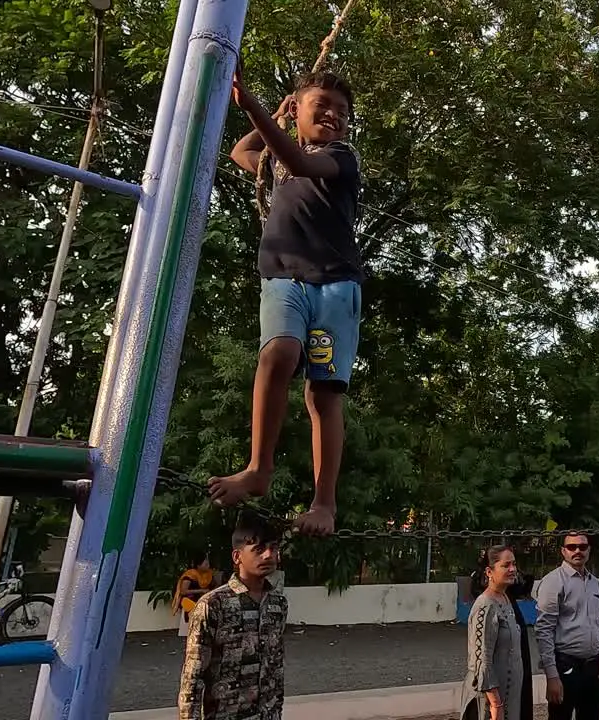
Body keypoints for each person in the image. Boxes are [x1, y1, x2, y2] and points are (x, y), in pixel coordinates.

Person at [211, 65, 363, 536]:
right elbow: (244, 150)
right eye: (323, 106)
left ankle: (324, 503)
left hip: (336, 286)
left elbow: (298, 162)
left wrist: (255, 106)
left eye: (342, 111)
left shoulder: (341, 156)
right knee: (279, 352)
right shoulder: (274, 159)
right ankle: (259, 468)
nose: (334, 116)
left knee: (323, 393)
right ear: (297, 110)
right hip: (284, 277)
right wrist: (273, 114)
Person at [178, 516, 286, 720]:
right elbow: (193, 676)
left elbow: (276, 665)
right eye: (259, 549)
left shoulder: (278, 604)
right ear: (237, 557)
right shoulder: (212, 604)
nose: (269, 555)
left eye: (273, 548)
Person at [535, 533, 599, 720]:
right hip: (566, 665)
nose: (577, 551)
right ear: (563, 551)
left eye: (582, 546)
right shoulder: (553, 582)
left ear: (589, 550)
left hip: (593, 667)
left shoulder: (594, 583)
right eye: (571, 547)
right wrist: (552, 675)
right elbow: (544, 630)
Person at [462, 545, 524, 720]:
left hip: (509, 695)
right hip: (491, 701)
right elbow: (482, 660)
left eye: (514, 564)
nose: (512, 569)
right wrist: (495, 704)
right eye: (506, 565)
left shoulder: (504, 598)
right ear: (489, 572)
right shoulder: (485, 605)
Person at [173, 553, 218, 638]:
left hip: (202, 598)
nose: (208, 565)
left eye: (208, 563)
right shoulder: (190, 575)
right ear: (198, 565)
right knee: (197, 607)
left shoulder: (209, 574)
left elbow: (214, 587)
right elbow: (183, 591)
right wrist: (201, 590)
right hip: (187, 598)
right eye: (205, 564)